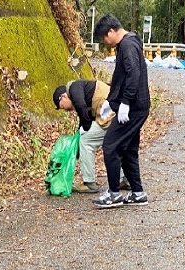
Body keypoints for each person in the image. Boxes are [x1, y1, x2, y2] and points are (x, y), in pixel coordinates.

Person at [91, 15, 150, 208]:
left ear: (111, 32)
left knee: (110, 145)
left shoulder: (127, 46)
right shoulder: (127, 44)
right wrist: (112, 102)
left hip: (133, 108)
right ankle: (138, 193)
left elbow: (134, 74)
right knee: (127, 149)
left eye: (104, 38)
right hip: (136, 106)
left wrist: (125, 103)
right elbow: (122, 77)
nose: (105, 43)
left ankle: (114, 193)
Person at [53, 80, 131, 193]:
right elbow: (84, 117)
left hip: (111, 114)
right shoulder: (84, 89)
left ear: (63, 97)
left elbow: (81, 106)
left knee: (86, 140)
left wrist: (85, 129)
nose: (66, 110)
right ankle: (124, 179)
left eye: (62, 107)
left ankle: (89, 183)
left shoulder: (74, 88)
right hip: (118, 113)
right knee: (114, 145)